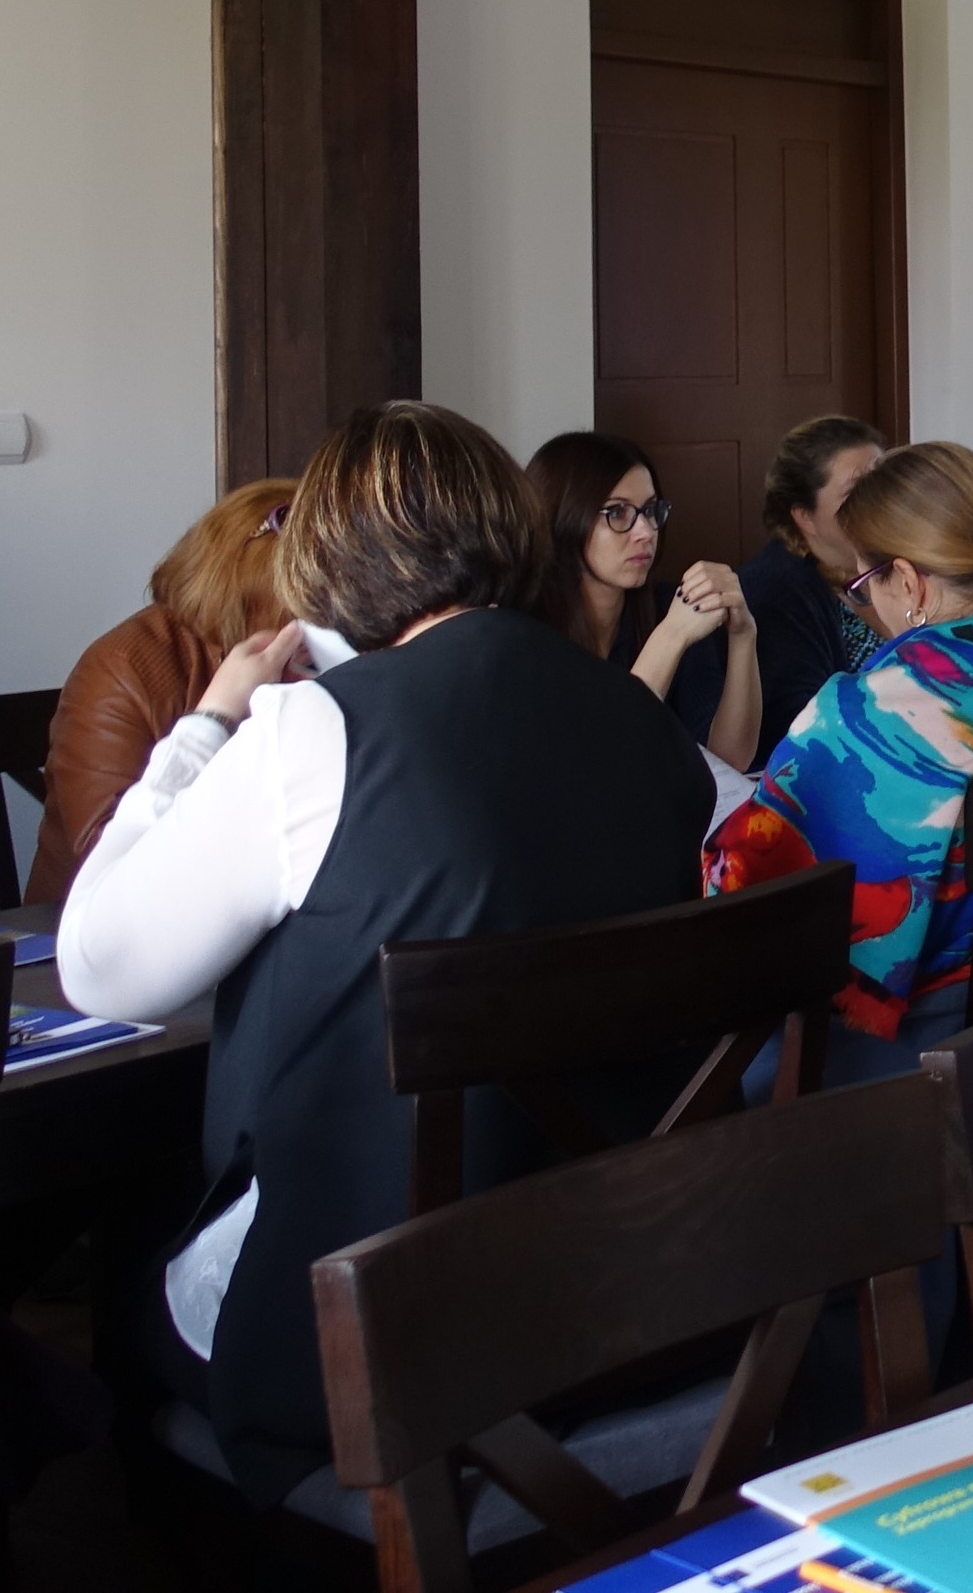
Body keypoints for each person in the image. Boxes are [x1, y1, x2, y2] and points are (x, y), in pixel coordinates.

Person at [56, 401, 709, 1506]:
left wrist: (205, 729)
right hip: (629, 1286)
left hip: (389, 1332)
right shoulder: (642, 719)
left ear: (328, 565)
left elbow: (100, 973)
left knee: (128, 1260)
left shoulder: (312, 729)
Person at [705, 440, 973, 1077]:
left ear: (910, 583)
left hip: (925, 1057)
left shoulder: (869, 715)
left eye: (865, 586)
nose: (868, 604)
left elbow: (745, 896)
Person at [29, 477, 298, 905]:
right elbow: (119, 871)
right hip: (105, 927)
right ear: (250, 599)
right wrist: (219, 718)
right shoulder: (124, 669)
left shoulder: (328, 658)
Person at [523, 431, 760, 770]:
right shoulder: (523, 628)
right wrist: (670, 638)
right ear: (562, 517)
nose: (646, 531)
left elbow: (729, 758)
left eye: (650, 510)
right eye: (617, 512)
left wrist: (743, 636)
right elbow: (594, 764)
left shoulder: (669, 607)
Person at [733, 414, 888, 762]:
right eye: (856, 490)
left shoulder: (900, 561)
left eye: (884, 482)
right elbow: (805, 727)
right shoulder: (776, 590)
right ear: (805, 516)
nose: (881, 499)